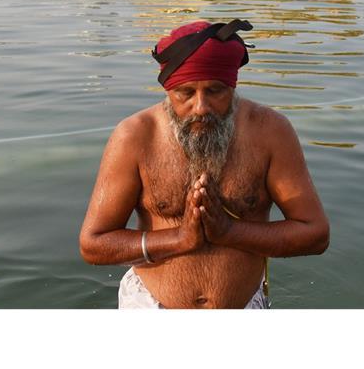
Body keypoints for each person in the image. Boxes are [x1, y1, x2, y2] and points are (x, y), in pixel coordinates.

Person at [79, 20, 329, 308]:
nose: (201, 107)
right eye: (185, 93)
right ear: (168, 90)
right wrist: (181, 239)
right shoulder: (135, 136)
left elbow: (315, 234)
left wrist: (229, 232)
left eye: (216, 91)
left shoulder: (270, 132)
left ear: (233, 87)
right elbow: (94, 244)